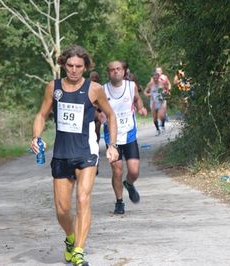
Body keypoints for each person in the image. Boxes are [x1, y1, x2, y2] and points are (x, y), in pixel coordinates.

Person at [30, 45, 119, 266]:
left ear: (85, 67)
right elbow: (41, 115)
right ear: (63, 64)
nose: (73, 70)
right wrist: (36, 136)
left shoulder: (94, 89)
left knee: (82, 199)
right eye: (70, 65)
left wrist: (112, 144)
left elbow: (110, 115)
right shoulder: (54, 88)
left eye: (79, 66)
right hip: (61, 153)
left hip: (86, 152)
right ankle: (71, 238)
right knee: (62, 210)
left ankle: (79, 250)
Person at [102, 60, 147, 215]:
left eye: (118, 69)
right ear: (108, 73)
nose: (115, 72)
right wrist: (99, 115)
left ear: (124, 71)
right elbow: (96, 108)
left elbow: (137, 99)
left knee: (134, 172)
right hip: (112, 137)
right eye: (112, 70)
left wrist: (140, 108)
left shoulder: (131, 86)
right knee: (117, 171)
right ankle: (119, 202)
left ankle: (129, 184)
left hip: (129, 134)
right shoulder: (102, 90)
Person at [145, 71, 169, 135]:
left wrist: (165, 92)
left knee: (161, 116)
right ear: (152, 78)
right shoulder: (150, 84)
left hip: (161, 101)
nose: (155, 79)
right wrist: (149, 94)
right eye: (154, 78)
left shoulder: (162, 83)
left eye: (156, 78)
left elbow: (167, 90)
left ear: (158, 77)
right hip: (153, 102)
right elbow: (145, 92)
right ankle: (158, 130)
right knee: (154, 118)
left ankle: (163, 126)